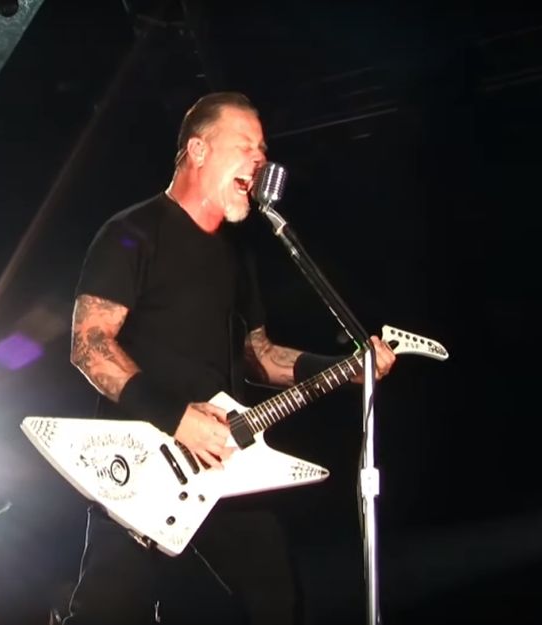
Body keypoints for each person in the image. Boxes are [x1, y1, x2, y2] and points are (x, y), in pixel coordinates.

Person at [60, 92, 397, 625]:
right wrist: (176, 417)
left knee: (277, 600)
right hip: (142, 465)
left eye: (263, 150)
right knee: (108, 610)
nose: (260, 160)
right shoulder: (132, 232)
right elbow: (89, 344)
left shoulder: (237, 256)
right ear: (198, 150)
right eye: (246, 146)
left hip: (223, 462)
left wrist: (345, 369)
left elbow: (260, 356)